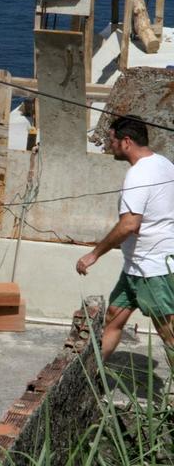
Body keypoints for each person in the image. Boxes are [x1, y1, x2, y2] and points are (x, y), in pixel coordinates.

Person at [76, 115, 174, 369]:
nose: (110, 146)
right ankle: (90, 374)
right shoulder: (163, 163)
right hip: (136, 266)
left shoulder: (138, 175)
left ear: (126, 141)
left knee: (169, 332)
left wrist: (94, 254)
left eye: (112, 140)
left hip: (151, 270)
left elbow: (129, 224)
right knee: (113, 318)